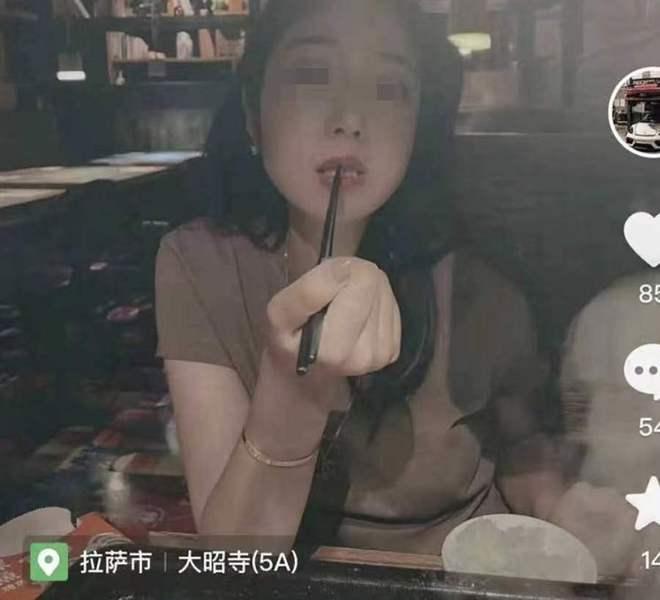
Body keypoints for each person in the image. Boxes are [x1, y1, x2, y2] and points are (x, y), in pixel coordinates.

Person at [155, 0, 638, 575]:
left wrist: (559, 505)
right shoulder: (199, 265)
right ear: (253, 115)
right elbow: (237, 560)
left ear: (417, 125)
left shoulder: (477, 281)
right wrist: (293, 394)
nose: (350, 117)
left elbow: (518, 444)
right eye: (312, 73)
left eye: (389, 87)